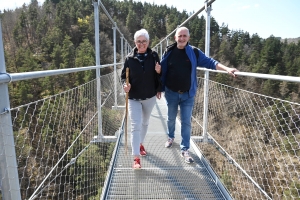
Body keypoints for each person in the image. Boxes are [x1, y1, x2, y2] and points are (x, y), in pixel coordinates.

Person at [160, 27, 238, 164]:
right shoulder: (168, 52)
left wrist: (227, 69)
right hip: (171, 93)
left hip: (188, 95)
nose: (182, 38)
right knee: (170, 118)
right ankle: (170, 137)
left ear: (188, 38)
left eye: (185, 36)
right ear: (175, 38)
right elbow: (161, 71)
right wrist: (158, 88)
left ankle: (185, 149)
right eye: (180, 36)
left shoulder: (194, 52)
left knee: (186, 122)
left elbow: (210, 62)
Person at [121, 28, 162, 169]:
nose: (141, 44)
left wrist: (159, 84)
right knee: (135, 125)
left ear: (148, 42)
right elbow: (123, 77)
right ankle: (136, 158)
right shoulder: (129, 58)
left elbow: (159, 75)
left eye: (144, 41)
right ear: (135, 42)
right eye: (139, 41)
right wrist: (125, 85)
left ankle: (139, 144)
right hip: (133, 97)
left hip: (149, 96)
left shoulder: (154, 55)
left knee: (145, 123)